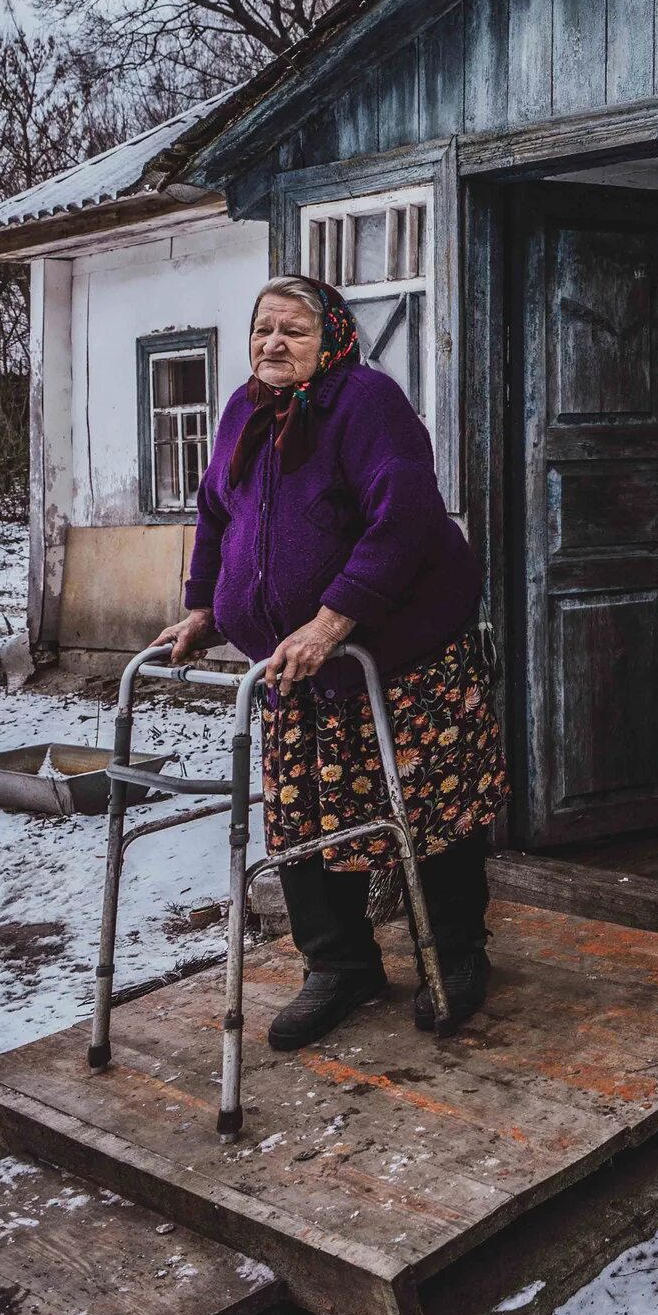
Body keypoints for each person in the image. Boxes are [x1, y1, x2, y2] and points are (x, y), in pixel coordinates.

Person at [152, 275, 501, 1048]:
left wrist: (333, 618)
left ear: (332, 338)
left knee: (429, 810)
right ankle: (339, 966)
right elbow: (218, 511)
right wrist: (206, 607)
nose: (273, 343)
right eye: (263, 328)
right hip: (295, 668)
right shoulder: (244, 411)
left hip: (397, 658)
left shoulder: (367, 402)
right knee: (300, 811)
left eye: (294, 330)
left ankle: (456, 955)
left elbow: (405, 515)